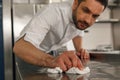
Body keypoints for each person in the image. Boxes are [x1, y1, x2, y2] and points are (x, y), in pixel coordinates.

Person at [13, 0, 108, 72]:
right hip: (30, 55)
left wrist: (79, 49)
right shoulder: (53, 12)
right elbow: (20, 47)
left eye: (95, 16)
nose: (88, 20)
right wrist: (53, 61)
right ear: (75, 4)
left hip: (50, 55)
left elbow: (78, 30)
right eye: (85, 10)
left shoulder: (80, 20)